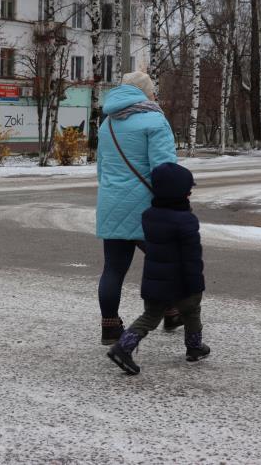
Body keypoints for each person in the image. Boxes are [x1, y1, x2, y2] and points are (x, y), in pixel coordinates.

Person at [96, 72, 179, 345]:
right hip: (147, 208)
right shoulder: (155, 119)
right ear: (146, 92)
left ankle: (110, 326)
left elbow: (102, 169)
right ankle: (171, 310)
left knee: (113, 269)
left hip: (112, 203)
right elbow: (164, 169)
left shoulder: (106, 123)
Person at [107, 162, 209, 375]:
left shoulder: (149, 216)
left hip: (155, 280)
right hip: (181, 282)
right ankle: (194, 347)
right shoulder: (186, 221)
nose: (190, 193)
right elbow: (191, 258)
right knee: (192, 311)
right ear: (179, 194)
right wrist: (196, 284)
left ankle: (123, 347)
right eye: (188, 190)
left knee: (150, 316)